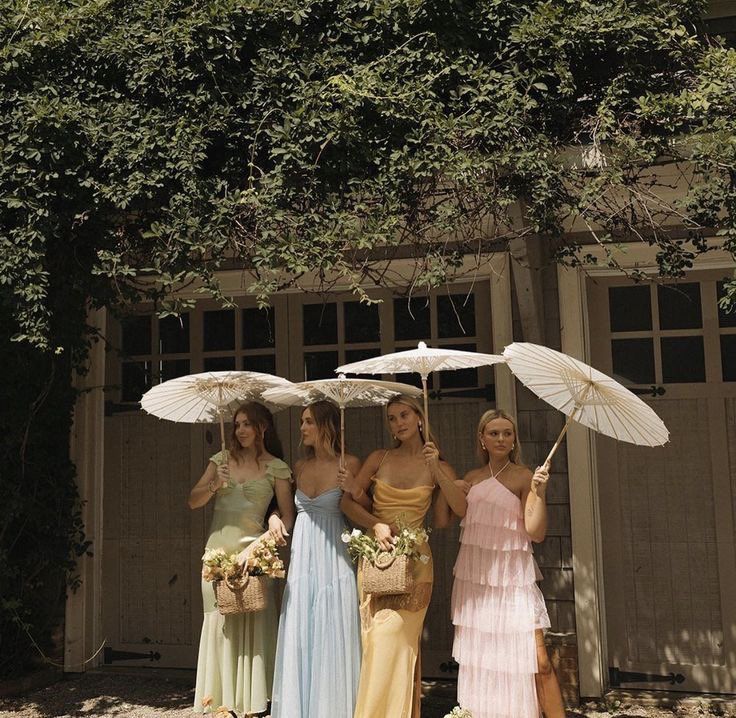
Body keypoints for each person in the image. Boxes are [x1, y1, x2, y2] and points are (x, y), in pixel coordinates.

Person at [340, 395, 466, 718]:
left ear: (420, 417)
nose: (399, 423)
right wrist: (376, 523)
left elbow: (450, 515)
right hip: (376, 559)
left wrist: (438, 470)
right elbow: (348, 504)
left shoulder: (437, 463)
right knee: (376, 641)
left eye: (405, 414)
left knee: (394, 638)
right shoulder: (379, 458)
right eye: (392, 418)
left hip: (415, 565)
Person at [451, 408, 566, 718]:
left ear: (514, 440)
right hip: (477, 581)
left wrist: (539, 493)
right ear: (482, 439)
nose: (501, 438)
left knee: (538, 661)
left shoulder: (524, 475)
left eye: (507, 433)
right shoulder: (472, 479)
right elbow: (445, 515)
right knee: (486, 660)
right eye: (494, 433)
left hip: (514, 578)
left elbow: (536, 532)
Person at [188, 402, 295, 717]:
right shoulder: (220, 460)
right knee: (218, 623)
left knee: (254, 624)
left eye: (248, 424)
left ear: (263, 428)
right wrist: (214, 484)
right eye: (237, 425)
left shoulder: (278, 467)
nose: (241, 430)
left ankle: (252, 705)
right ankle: (220, 704)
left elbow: (289, 516)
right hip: (216, 555)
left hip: (255, 557)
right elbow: (193, 501)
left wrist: (264, 536)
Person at [271, 400, 363, 718]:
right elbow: (287, 512)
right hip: (302, 557)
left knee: (333, 627)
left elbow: (364, 510)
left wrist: (354, 488)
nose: (302, 428)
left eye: (308, 421)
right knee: (302, 628)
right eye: (302, 421)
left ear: (326, 425)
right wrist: (273, 518)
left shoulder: (349, 463)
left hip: (335, 556)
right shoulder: (299, 467)